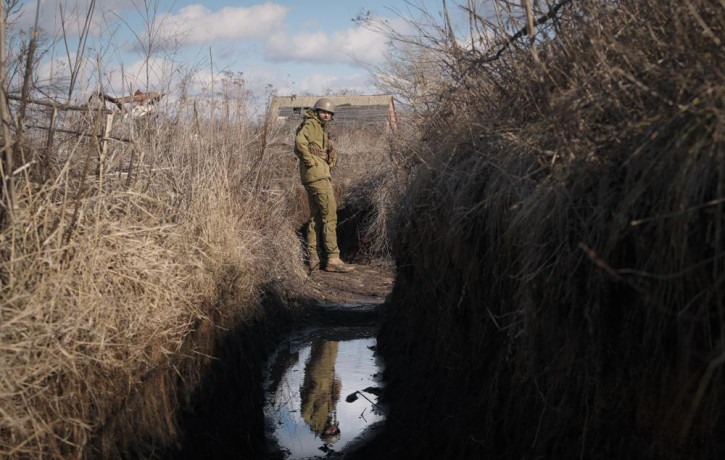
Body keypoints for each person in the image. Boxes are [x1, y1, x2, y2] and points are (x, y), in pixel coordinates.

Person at [294, 97, 355, 273]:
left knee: (315, 217)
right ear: (317, 111)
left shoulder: (319, 128)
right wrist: (311, 161)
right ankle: (333, 258)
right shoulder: (312, 124)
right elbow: (299, 143)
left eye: (329, 113)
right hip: (317, 176)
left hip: (313, 176)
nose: (327, 115)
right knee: (330, 215)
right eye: (324, 112)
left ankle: (312, 257)